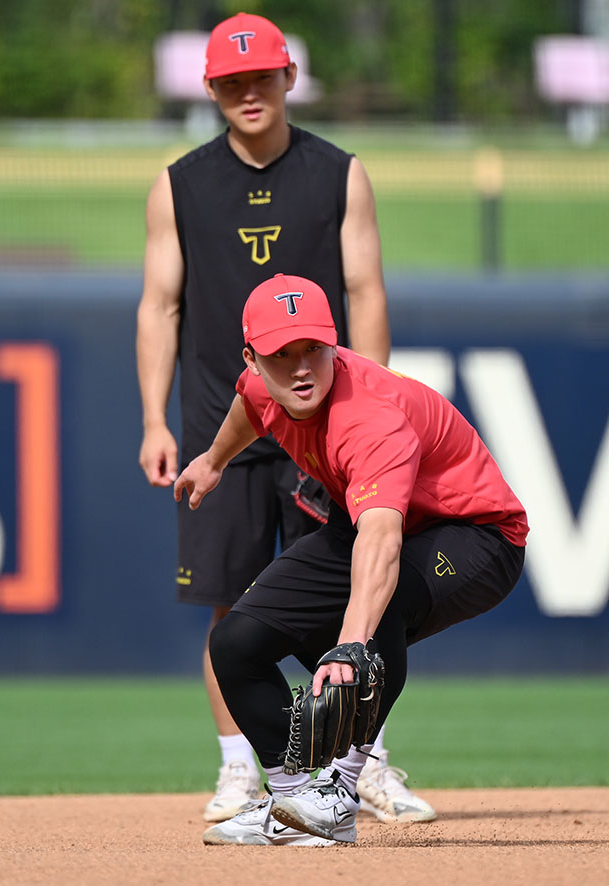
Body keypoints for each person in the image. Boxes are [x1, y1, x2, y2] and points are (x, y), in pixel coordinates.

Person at [136, 11, 433, 825]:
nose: (246, 92)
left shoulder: (339, 173)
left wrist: (370, 408)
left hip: (324, 429)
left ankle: (360, 762)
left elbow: (366, 293)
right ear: (211, 89)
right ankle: (239, 767)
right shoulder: (180, 181)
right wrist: (156, 425)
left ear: (288, 77)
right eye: (230, 81)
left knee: (345, 602)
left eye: (260, 75)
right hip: (220, 423)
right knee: (233, 605)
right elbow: (160, 305)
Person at [174, 273, 528, 847]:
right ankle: (292, 803)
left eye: (312, 347)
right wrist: (214, 460)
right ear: (253, 357)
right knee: (235, 643)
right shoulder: (264, 386)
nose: (301, 367)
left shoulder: (370, 419)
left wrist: (350, 644)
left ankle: (339, 795)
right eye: (280, 354)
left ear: (334, 343)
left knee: (373, 615)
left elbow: (383, 542)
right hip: (370, 521)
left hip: (475, 534)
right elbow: (249, 404)